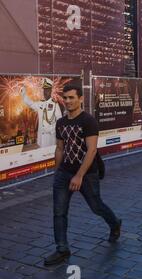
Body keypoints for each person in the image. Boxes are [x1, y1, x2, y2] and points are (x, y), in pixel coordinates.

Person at [44, 85, 122, 266]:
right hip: (64, 172)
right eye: (65, 98)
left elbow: (92, 150)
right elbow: (59, 148)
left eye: (72, 97)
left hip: (87, 174)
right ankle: (62, 249)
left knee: (96, 206)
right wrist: (58, 173)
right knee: (59, 212)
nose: (68, 101)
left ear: (80, 99)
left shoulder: (88, 121)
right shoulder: (61, 123)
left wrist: (79, 176)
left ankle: (115, 223)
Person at [21, 78, 63, 148]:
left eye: (47, 90)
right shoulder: (40, 103)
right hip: (41, 139)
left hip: (50, 138)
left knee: (50, 157)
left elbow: (60, 122)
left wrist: (51, 129)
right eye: (44, 90)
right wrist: (23, 91)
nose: (45, 92)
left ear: (50, 91)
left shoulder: (55, 105)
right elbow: (30, 103)